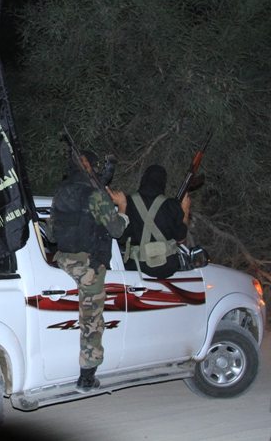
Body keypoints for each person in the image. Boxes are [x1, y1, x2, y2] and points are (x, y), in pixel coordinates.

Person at [47, 150, 128, 394]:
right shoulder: (95, 195)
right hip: (86, 267)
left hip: (62, 260)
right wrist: (122, 208)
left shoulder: (61, 193)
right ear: (90, 167)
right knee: (92, 319)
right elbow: (116, 230)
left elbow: (51, 234)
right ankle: (87, 376)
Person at [121, 164, 191, 278]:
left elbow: (121, 237)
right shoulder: (171, 205)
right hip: (167, 269)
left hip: (138, 268)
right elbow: (181, 239)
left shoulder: (127, 203)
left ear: (144, 179)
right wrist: (185, 210)